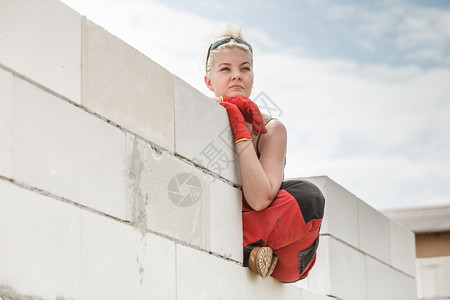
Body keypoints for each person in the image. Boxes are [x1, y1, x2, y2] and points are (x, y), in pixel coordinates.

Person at [204, 28, 325, 283]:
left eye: (245, 68)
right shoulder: (201, 112)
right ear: (209, 81)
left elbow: (259, 199)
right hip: (230, 229)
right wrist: (227, 109)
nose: (236, 75)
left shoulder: (271, 129)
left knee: (309, 195)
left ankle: (248, 246)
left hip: (282, 254)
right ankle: (249, 249)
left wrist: (239, 127)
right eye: (225, 69)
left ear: (253, 76)